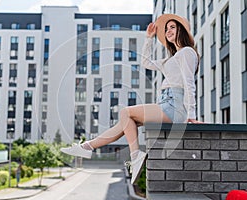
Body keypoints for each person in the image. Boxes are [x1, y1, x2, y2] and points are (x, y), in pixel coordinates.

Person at [61, 13, 202, 185]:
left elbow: (189, 82)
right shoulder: (170, 59)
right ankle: (87, 147)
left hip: (175, 105)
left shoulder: (187, 52)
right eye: (166, 29)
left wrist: (191, 113)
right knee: (122, 123)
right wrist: (149, 38)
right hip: (165, 102)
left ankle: (135, 156)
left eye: (173, 27)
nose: (168, 31)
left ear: (181, 30)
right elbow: (145, 63)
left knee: (125, 112)